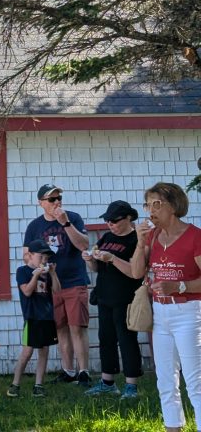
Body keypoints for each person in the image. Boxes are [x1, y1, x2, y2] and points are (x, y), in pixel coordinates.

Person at [129, 182, 201, 432]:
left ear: (174, 205)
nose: (150, 210)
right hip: (160, 314)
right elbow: (136, 272)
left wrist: (178, 286)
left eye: (156, 204)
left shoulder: (195, 236)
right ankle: (173, 428)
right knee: (165, 380)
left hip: (189, 313)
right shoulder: (152, 236)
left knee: (195, 381)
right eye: (147, 204)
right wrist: (139, 244)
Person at [23, 184, 91, 386]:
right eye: (51, 199)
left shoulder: (73, 217)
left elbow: (84, 245)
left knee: (77, 327)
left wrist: (66, 223)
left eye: (59, 197)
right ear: (41, 203)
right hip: (50, 285)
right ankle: (68, 371)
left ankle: (84, 372)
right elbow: (26, 255)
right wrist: (39, 266)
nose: (57, 202)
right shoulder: (34, 226)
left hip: (74, 281)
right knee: (60, 328)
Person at [82, 200, 143, 399]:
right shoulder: (107, 237)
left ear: (128, 218)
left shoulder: (136, 240)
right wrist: (91, 259)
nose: (110, 224)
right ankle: (107, 381)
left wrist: (112, 258)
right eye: (107, 220)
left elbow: (135, 272)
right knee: (105, 338)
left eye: (114, 220)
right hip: (104, 295)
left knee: (126, 340)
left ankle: (131, 385)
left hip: (125, 297)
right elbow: (97, 269)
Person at [8, 239, 58, 398]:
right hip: (32, 317)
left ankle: (39, 385)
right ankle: (15, 384)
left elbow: (57, 290)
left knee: (44, 350)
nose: (44, 260)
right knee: (27, 351)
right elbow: (27, 292)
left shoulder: (47, 273)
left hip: (47, 316)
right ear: (29, 255)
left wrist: (53, 273)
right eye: (41, 256)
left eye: (46, 257)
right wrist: (35, 276)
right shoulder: (22, 271)